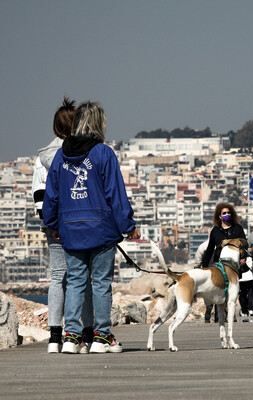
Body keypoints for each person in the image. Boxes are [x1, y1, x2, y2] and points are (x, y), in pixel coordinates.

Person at [43, 101, 140, 354]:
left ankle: (72, 337)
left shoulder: (60, 156)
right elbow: (115, 194)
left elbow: (51, 195)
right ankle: (101, 336)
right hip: (101, 230)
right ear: (98, 124)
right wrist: (128, 225)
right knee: (100, 284)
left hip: (70, 230)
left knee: (74, 282)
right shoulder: (103, 153)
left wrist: (53, 224)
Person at [32, 97, 93, 353]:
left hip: (53, 223)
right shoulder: (87, 152)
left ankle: (55, 335)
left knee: (58, 276)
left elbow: (39, 196)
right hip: (80, 221)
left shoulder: (43, 157)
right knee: (85, 277)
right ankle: (88, 332)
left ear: (56, 127)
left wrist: (51, 222)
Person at [201, 203, 247, 323]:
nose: (227, 215)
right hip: (219, 264)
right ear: (219, 216)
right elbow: (210, 249)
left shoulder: (238, 228)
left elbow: (243, 245)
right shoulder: (215, 230)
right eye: (224, 213)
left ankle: (231, 315)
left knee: (232, 291)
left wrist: (243, 258)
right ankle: (219, 316)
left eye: (228, 213)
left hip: (234, 265)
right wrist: (204, 266)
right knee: (220, 289)